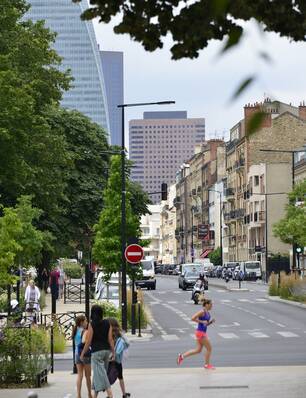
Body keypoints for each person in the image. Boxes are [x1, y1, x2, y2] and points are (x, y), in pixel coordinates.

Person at [81, 305, 115, 398]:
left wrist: (83, 353)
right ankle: (94, 395)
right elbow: (110, 339)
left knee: (102, 374)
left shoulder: (92, 324)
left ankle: (110, 394)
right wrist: (114, 352)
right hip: (106, 352)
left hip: (96, 353)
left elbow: (88, 341)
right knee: (98, 374)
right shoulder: (108, 323)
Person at [177, 298, 216, 369]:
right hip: (200, 333)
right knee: (209, 349)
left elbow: (205, 324)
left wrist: (210, 322)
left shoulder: (207, 312)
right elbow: (192, 318)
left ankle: (182, 356)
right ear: (206, 305)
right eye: (211, 304)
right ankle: (207, 365)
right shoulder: (202, 312)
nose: (212, 306)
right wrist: (202, 322)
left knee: (198, 350)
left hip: (201, 332)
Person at [108, 318, 130, 398]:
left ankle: (109, 394)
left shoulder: (108, 333)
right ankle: (124, 394)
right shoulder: (119, 334)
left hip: (109, 359)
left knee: (108, 377)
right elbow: (127, 343)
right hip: (118, 360)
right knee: (120, 377)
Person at [72, 315, 92, 398]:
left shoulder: (75, 331)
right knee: (88, 376)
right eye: (85, 321)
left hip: (77, 354)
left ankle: (78, 395)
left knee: (80, 375)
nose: (87, 322)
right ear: (81, 322)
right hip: (85, 354)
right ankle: (89, 394)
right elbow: (86, 343)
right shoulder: (85, 331)